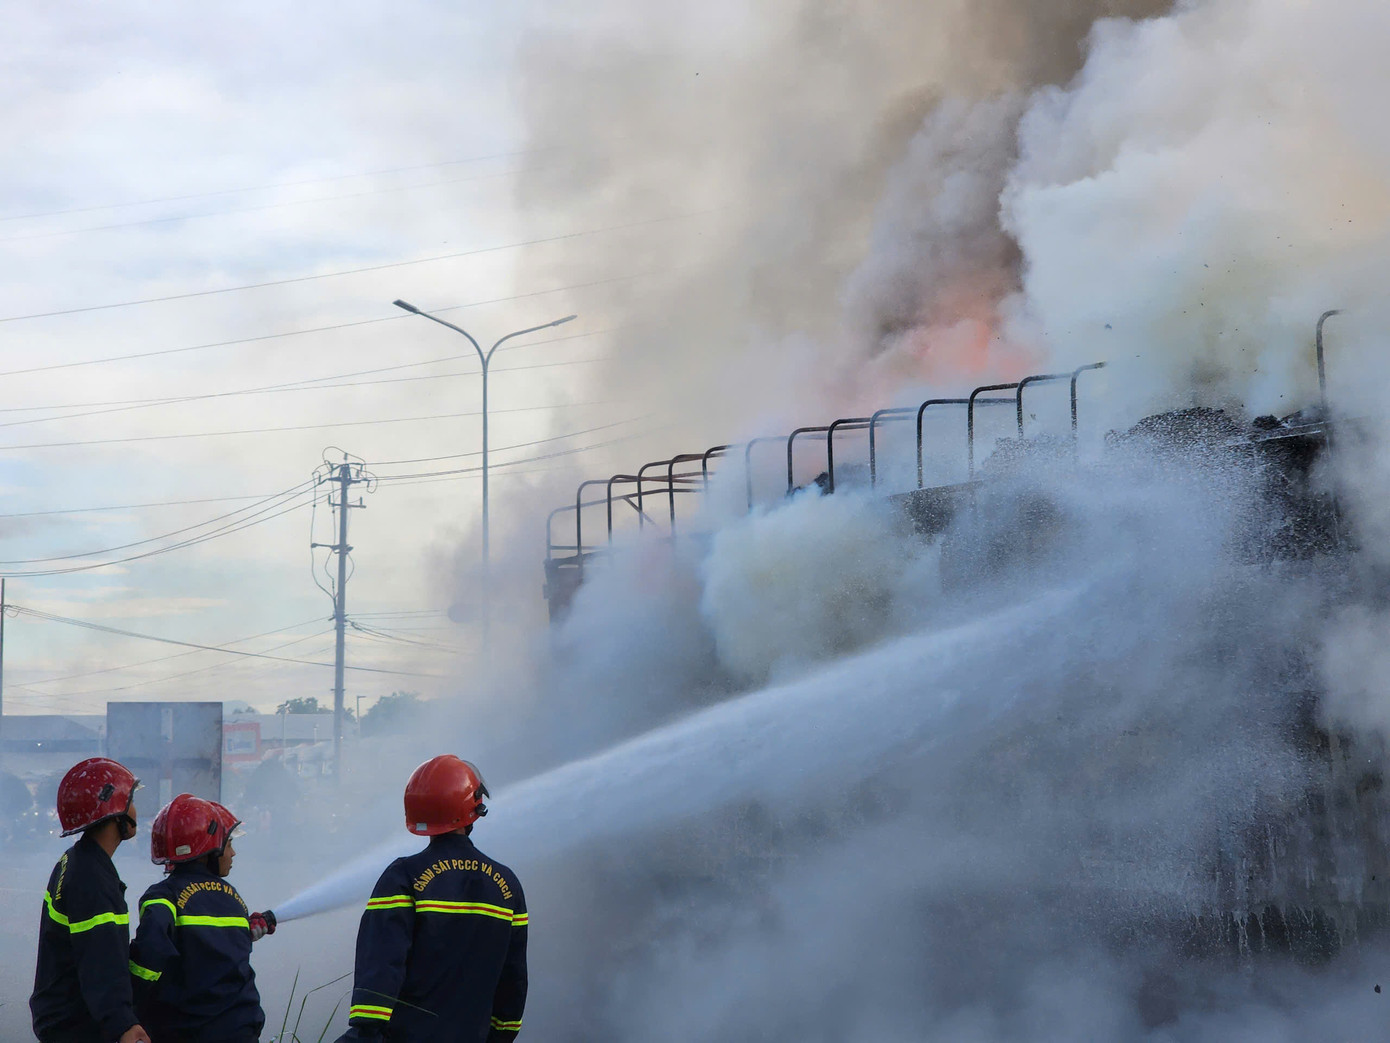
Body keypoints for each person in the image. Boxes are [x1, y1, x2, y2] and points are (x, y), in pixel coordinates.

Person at [337, 755, 527, 1042]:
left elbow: (380, 967)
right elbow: (513, 983)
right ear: (473, 809)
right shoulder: (507, 886)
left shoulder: (403, 877)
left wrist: (367, 1031)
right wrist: (501, 1036)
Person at [129, 794, 274, 1042]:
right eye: (228, 845)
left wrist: (127, 1011)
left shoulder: (162, 897)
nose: (233, 853)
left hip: (187, 1032)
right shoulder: (232, 898)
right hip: (241, 1031)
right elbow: (223, 957)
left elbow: (149, 958)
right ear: (210, 848)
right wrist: (244, 931)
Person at [30, 756, 151, 1043]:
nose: (135, 809)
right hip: (77, 1025)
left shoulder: (77, 861)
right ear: (114, 808)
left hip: (63, 1017)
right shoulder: (92, 879)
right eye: (130, 800)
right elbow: (101, 959)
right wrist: (123, 1024)